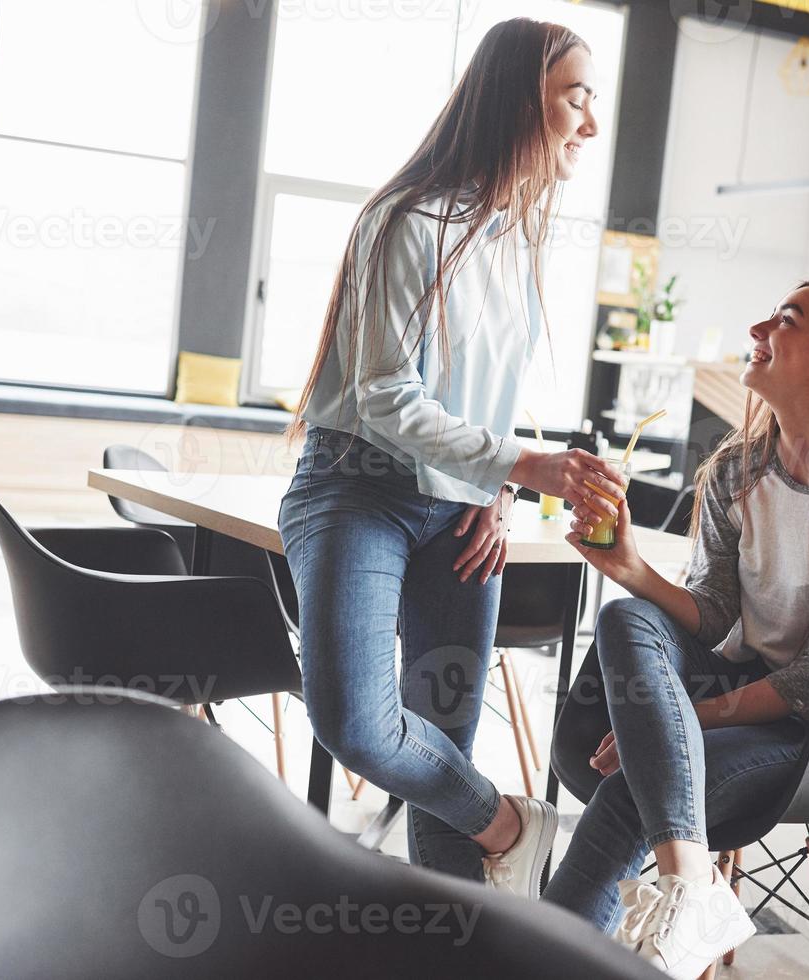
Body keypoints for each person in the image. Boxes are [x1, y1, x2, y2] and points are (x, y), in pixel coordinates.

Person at [278, 18, 626, 897]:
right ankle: (520, 828)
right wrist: (523, 466)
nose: (590, 124)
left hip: (462, 511)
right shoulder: (407, 222)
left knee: (439, 744)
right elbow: (386, 397)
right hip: (358, 491)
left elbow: (490, 390)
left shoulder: (516, 237)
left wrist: (497, 491)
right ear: (522, 99)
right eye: (576, 98)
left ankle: (452, 941)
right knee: (359, 724)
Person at [543, 281, 809, 979]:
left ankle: (536, 960)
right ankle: (691, 884)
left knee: (635, 785)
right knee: (623, 613)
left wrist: (669, 724)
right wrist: (631, 568)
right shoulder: (733, 471)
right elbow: (716, 613)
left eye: (786, 320)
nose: (757, 325)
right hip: (740, 681)